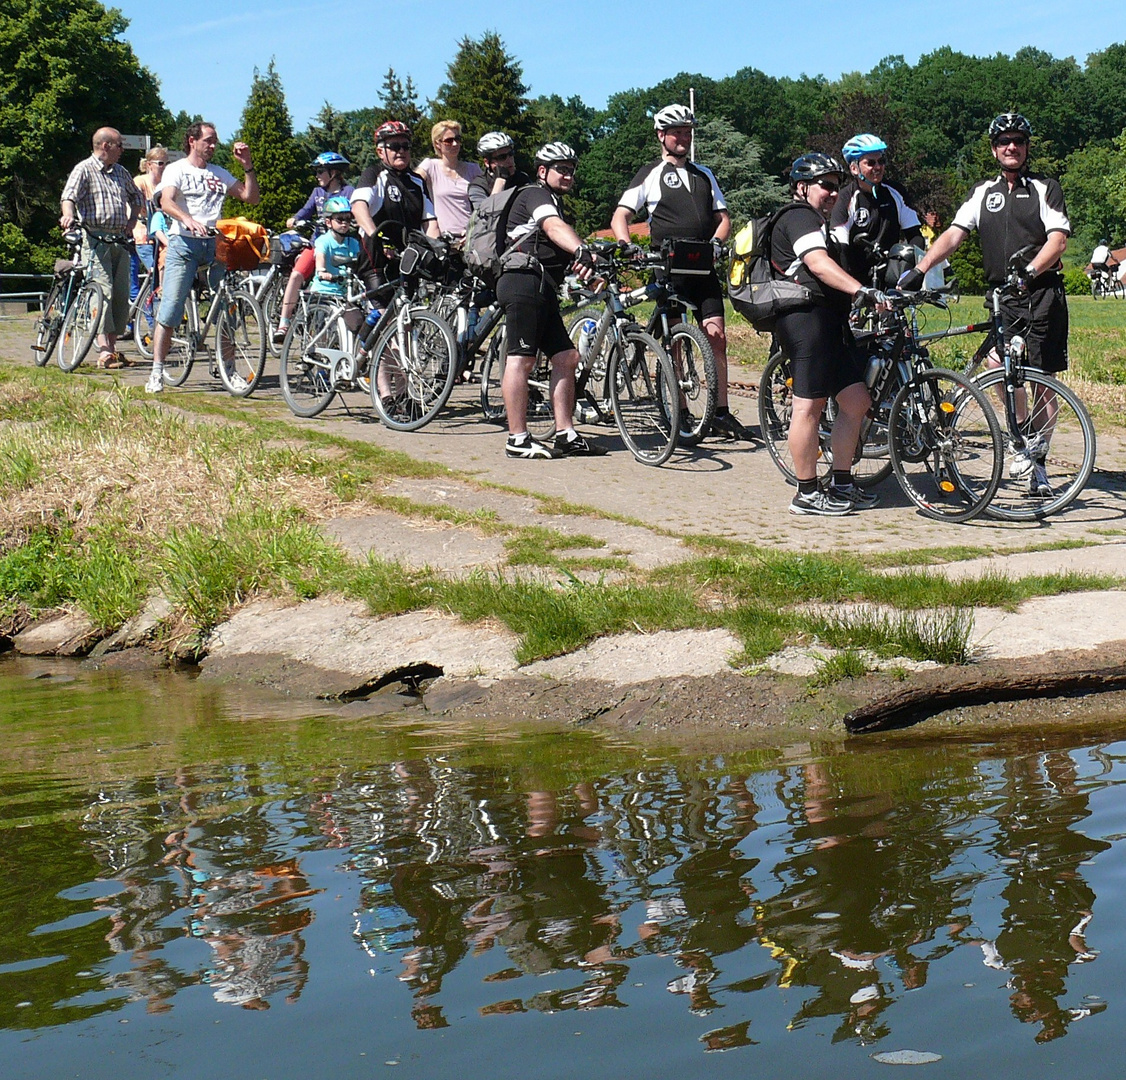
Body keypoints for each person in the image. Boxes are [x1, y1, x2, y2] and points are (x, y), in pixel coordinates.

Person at [906, 113, 1071, 497]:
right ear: (994, 149)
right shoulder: (984, 192)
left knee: (1044, 382)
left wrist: (1029, 271)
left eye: (1018, 140)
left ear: (1027, 147)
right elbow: (953, 234)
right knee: (1000, 365)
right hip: (1003, 297)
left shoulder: (1045, 188)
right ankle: (1021, 438)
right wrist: (921, 268)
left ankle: (1040, 461)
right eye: (1003, 142)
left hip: (1041, 293)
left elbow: (1058, 240)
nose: (1010, 147)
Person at [611, 104, 746, 440]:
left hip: (702, 266)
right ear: (662, 136)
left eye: (688, 132)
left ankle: (721, 412)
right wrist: (626, 244)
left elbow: (724, 219)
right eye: (677, 133)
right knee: (674, 342)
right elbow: (620, 216)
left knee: (717, 339)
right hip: (667, 267)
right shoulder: (650, 173)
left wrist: (717, 242)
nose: (684, 138)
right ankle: (681, 410)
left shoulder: (704, 174)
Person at [771, 153, 884, 516]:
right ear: (802, 187)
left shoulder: (819, 222)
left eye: (837, 186)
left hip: (830, 323)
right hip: (805, 322)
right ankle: (805, 493)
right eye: (825, 186)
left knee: (855, 402)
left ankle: (841, 482)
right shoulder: (797, 216)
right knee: (809, 406)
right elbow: (817, 264)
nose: (833, 193)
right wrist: (860, 291)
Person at [496, 141, 606, 459]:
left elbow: (557, 243)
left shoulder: (554, 200)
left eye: (572, 170)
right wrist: (581, 248)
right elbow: (553, 226)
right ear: (543, 171)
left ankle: (565, 433)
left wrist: (590, 262)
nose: (568, 175)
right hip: (522, 282)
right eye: (562, 169)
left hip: (541, 287)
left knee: (566, 356)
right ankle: (517, 438)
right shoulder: (536, 194)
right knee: (522, 359)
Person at [145, 121, 258, 393]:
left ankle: (229, 369)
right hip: (183, 243)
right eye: (208, 140)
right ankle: (157, 371)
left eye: (215, 141)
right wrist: (188, 219)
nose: (213, 145)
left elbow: (250, 198)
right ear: (192, 141)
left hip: (215, 245)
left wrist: (247, 166)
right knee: (171, 307)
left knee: (227, 309)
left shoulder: (219, 173)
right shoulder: (177, 169)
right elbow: (167, 202)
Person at [59, 126, 145, 369]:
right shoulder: (84, 169)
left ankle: (113, 348)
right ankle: (104, 351)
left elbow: (137, 198)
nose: (122, 151)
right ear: (106, 146)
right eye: (120, 146)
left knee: (119, 295)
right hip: (94, 239)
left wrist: (131, 222)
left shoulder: (121, 172)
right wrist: (68, 216)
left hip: (119, 240)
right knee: (102, 291)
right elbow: (69, 196)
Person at [350, 120, 440, 296]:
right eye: (394, 146)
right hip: (376, 257)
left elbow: (429, 221)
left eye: (405, 146)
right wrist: (378, 237)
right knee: (383, 312)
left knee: (407, 313)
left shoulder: (416, 181)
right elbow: (358, 207)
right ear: (380, 152)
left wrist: (438, 247)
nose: (401, 151)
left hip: (408, 257)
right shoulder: (374, 174)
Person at [274, 151, 354, 342]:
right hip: (317, 244)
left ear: (333, 172)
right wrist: (295, 219)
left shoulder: (349, 192)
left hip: (341, 245)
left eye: (320, 171)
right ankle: (284, 323)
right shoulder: (318, 192)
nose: (317, 175)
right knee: (295, 275)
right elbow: (306, 210)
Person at [830, 133, 923, 287]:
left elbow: (915, 236)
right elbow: (841, 247)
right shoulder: (846, 198)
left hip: (890, 275)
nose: (878, 167)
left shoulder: (895, 192)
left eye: (881, 161)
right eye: (871, 163)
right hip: (856, 277)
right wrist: (852, 288)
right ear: (854, 168)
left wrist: (908, 269)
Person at [414, 120, 482, 237]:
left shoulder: (473, 169)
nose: (455, 144)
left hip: (470, 236)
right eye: (449, 141)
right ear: (437, 144)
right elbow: (412, 183)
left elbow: (487, 202)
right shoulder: (430, 166)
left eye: (457, 139)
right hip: (442, 239)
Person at [131, 145, 170, 297]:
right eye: (160, 163)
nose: (164, 167)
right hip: (143, 234)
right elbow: (131, 205)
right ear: (149, 165)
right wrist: (134, 226)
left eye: (167, 163)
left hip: (162, 232)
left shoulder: (168, 184)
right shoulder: (140, 181)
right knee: (153, 273)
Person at [467, 131, 530, 210]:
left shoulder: (522, 178)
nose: (509, 160)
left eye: (511, 154)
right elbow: (487, 216)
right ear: (487, 163)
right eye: (502, 157)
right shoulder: (478, 186)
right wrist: (500, 181)